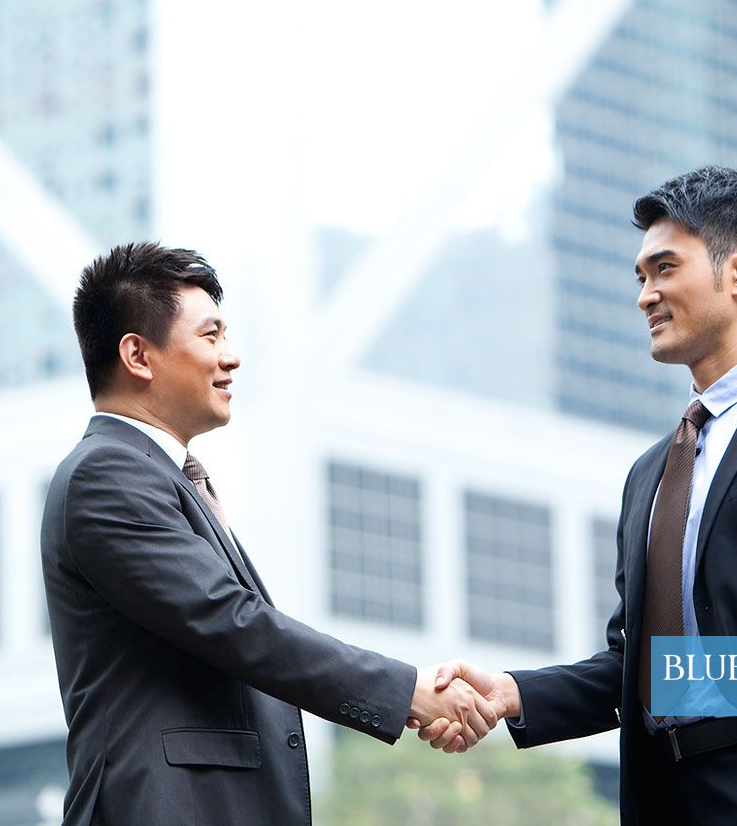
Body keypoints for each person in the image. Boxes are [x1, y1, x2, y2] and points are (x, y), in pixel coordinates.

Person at [418, 166, 737, 824]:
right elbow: (634, 667)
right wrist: (510, 694)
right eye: (639, 276)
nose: (644, 295)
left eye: (664, 268)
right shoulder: (648, 475)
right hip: (665, 798)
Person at [41, 242, 495, 826]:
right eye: (210, 336)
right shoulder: (107, 473)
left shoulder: (158, 477)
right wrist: (405, 691)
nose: (230, 358)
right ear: (138, 355)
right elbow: (233, 622)